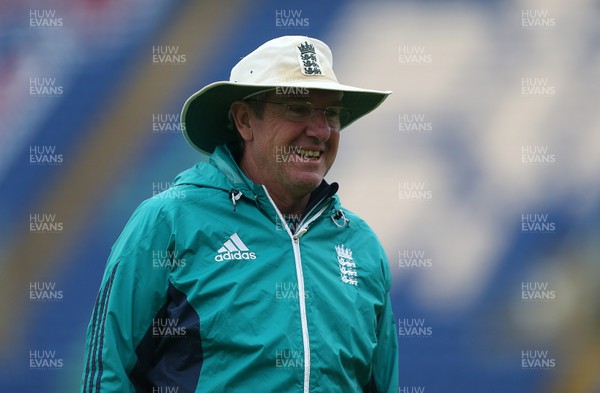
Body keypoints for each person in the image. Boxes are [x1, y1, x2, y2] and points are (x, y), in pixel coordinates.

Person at [81, 35, 398, 393]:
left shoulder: (362, 245)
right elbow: (107, 374)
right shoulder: (168, 222)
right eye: (299, 108)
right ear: (245, 120)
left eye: (332, 113)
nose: (321, 130)